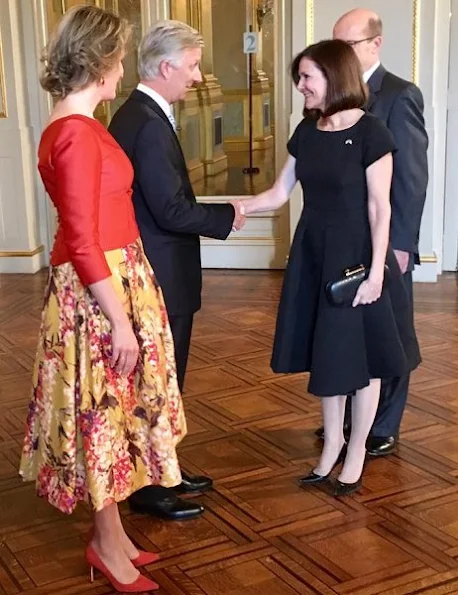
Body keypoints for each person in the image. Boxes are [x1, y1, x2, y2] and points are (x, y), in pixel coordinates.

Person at [19, 6, 186, 592]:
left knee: (110, 416)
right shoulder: (74, 134)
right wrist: (119, 321)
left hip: (111, 283)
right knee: (102, 420)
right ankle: (106, 546)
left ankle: (110, 538)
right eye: (117, 58)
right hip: (99, 294)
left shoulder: (84, 128)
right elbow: (85, 242)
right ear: (99, 62)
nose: (121, 69)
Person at [238, 39, 421, 496]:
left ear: (333, 78)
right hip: (315, 254)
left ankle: (356, 449)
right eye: (299, 78)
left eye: (306, 78)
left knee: (365, 359)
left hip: (358, 258)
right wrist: (229, 211)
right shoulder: (306, 132)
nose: (300, 87)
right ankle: (331, 444)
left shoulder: (373, 133)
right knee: (327, 351)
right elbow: (279, 194)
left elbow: (381, 209)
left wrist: (378, 272)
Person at [108, 20, 245, 519]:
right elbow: (171, 210)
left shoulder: (144, 114)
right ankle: (149, 486)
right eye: (191, 66)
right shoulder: (144, 121)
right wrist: (227, 216)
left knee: (166, 380)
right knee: (157, 381)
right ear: (166, 67)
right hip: (160, 274)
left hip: (163, 271)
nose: (197, 76)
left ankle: (164, 467)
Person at [313, 9, 428, 457]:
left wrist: (401, 244)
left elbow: (411, 179)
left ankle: (383, 426)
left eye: (350, 45)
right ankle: (347, 423)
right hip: (345, 240)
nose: (339, 54)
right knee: (347, 332)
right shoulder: (332, 97)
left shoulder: (400, 96)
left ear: (375, 44)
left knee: (390, 333)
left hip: (386, 241)